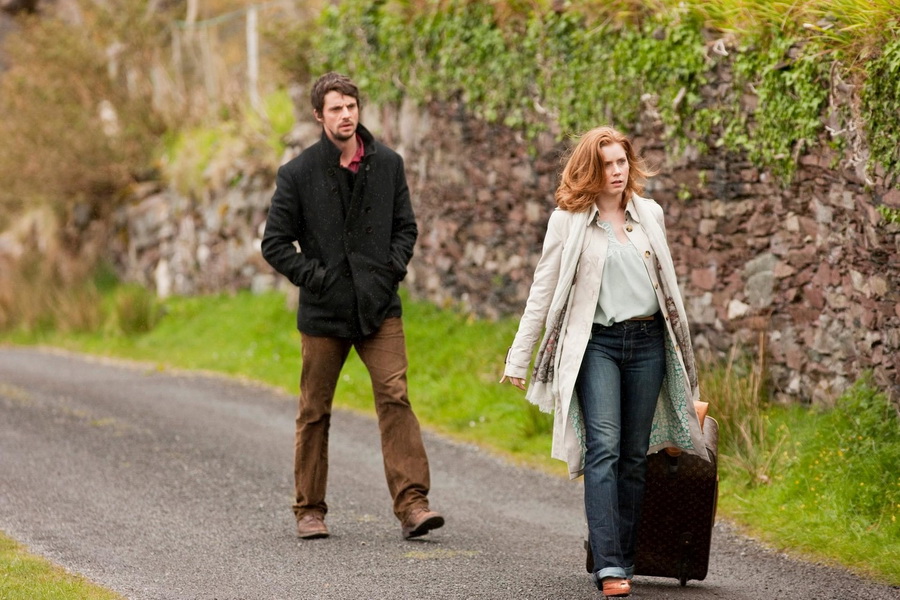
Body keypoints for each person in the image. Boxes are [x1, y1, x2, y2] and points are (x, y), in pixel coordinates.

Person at [501, 126, 707, 597]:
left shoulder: (650, 214)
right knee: (605, 447)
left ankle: (624, 559)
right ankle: (610, 566)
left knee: (635, 455)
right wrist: (519, 356)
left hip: (649, 343)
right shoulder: (567, 222)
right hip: (597, 345)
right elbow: (542, 291)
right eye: (606, 164)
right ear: (590, 170)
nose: (617, 172)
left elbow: (668, 289)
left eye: (621, 162)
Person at [262, 72, 444, 541]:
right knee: (314, 409)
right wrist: (318, 279)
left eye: (351, 106)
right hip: (324, 313)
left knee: (395, 396)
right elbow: (275, 244)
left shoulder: (388, 164)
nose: (345, 115)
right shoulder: (297, 174)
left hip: (379, 306)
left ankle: (413, 505)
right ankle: (309, 509)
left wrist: (389, 271)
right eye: (336, 109)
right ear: (318, 115)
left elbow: (405, 227)